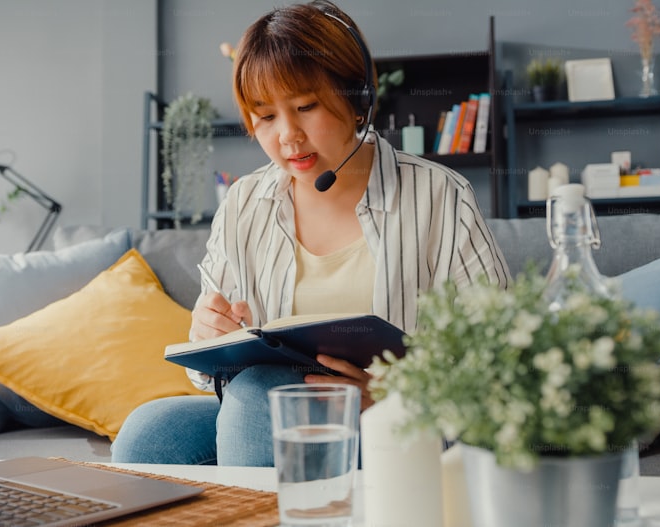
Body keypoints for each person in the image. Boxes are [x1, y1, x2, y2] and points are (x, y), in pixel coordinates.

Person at [111, 0, 509, 467]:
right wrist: (206, 334)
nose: (288, 136)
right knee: (149, 434)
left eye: (305, 107)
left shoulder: (441, 195)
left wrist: (396, 392)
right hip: (267, 414)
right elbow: (213, 368)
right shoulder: (243, 203)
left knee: (256, 396)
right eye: (266, 116)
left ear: (358, 98)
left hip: (399, 420)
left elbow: (500, 355)